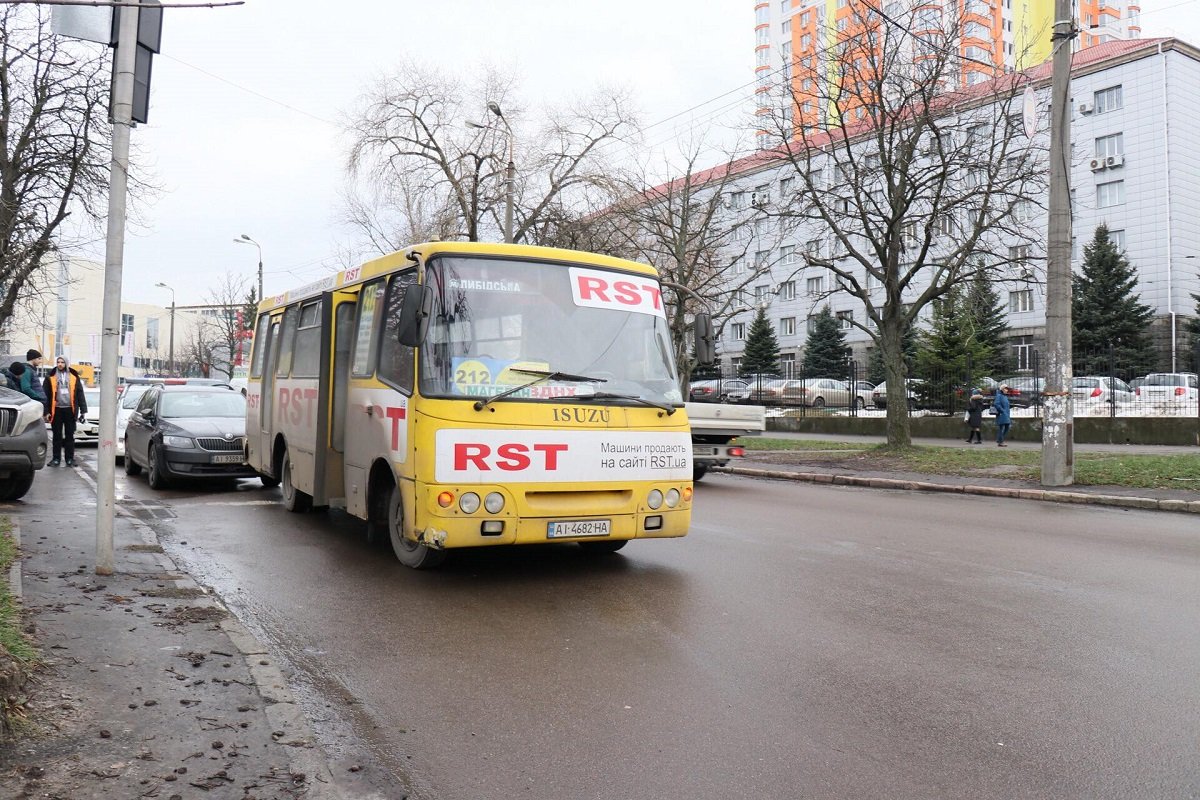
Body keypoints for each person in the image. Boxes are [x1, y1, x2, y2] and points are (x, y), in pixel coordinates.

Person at [42, 356, 87, 468]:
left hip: (70, 410)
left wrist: (83, 410)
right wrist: (46, 411)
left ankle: (70, 459)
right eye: (58, 362)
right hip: (56, 410)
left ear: (66, 363)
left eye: (62, 362)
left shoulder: (74, 376)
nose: (60, 364)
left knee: (70, 436)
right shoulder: (50, 376)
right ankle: (56, 458)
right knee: (56, 436)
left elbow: (80, 394)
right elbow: (45, 395)